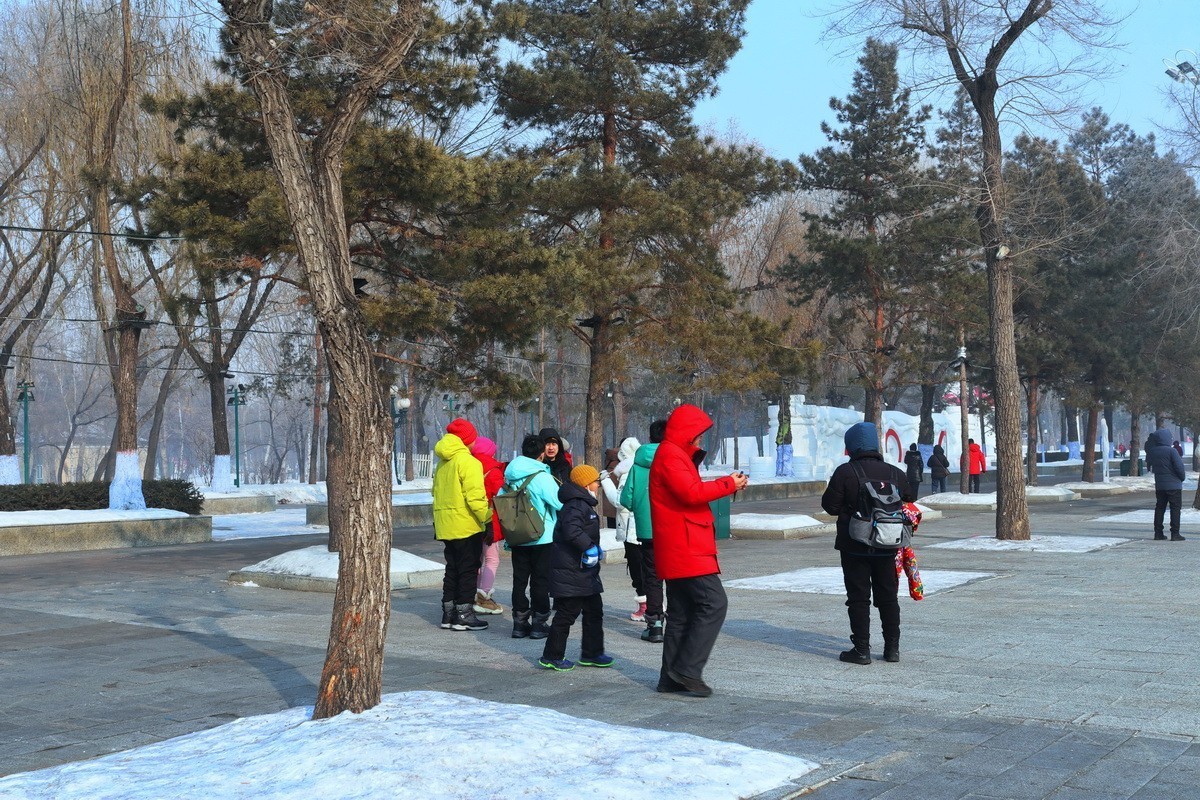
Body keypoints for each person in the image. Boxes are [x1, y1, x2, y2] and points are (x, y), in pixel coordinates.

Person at [650, 404, 749, 697]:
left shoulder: (674, 454)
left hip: (682, 544)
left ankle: (670, 677)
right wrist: (728, 483)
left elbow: (689, 488)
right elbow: (691, 493)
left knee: (682, 612)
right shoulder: (670, 455)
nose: (701, 441)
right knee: (713, 603)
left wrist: (727, 484)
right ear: (686, 433)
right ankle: (687, 670)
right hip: (686, 546)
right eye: (698, 435)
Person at [821, 421, 915, 665]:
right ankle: (892, 649)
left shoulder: (846, 471)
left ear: (851, 446)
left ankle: (861, 650)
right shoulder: (894, 472)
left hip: (854, 545)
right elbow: (909, 496)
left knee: (858, 597)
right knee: (888, 596)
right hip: (887, 543)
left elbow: (830, 507)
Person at [538, 464, 614, 671]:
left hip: (584, 573)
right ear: (586, 483)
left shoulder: (582, 504)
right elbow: (572, 530)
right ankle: (552, 656)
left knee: (594, 611)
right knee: (566, 614)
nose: (598, 485)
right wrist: (589, 547)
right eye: (596, 482)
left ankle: (592, 653)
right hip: (571, 573)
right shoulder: (576, 505)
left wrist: (593, 549)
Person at [431, 418, 492, 632]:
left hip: (446, 524)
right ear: (467, 440)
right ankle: (464, 614)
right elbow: (475, 497)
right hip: (466, 524)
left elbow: (435, 493)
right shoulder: (469, 462)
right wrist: (487, 518)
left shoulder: (442, 463)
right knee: (468, 569)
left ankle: (448, 613)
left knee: (452, 568)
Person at [502, 433, 564, 638]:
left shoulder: (510, 476)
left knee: (519, 580)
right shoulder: (542, 477)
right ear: (540, 454)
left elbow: (503, 501)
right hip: (542, 537)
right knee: (540, 580)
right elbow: (559, 503)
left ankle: (519, 624)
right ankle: (539, 623)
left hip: (517, 536)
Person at [622, 420, 668, 643]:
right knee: (676, 576)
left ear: (649, 437)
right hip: (673, 529)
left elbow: (626, 500)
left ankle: (655, 625)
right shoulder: (674, 460)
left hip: (647, 531)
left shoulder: (637, 465)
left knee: (652, 577)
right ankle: (679, 622)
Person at [598, 437, 643, 622]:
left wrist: (605, 481)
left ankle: (646, 606)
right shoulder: (645, 468)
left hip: (633, 530)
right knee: (649, 569)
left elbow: (620, 500)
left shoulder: (627, 472)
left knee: (638, 570)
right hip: (647, 528)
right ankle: (654, 605)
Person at [470, 436, 506, 616]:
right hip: (489, 520)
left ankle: (472, 594)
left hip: (470, 520)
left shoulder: (468, 466)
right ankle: (483, 596)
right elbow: (500, 496)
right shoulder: (493, 470)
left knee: (476, 560)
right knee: (492, 559)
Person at [1146, 428, 1187, 541]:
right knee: (1175, 508)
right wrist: (1182, 478)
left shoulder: (1153, 451)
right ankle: (1175, 533)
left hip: (1160, 485)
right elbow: (1179, 467)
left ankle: (1158, 533)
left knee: (1160, 508)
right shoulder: (1171, 451)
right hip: (1174, 485)